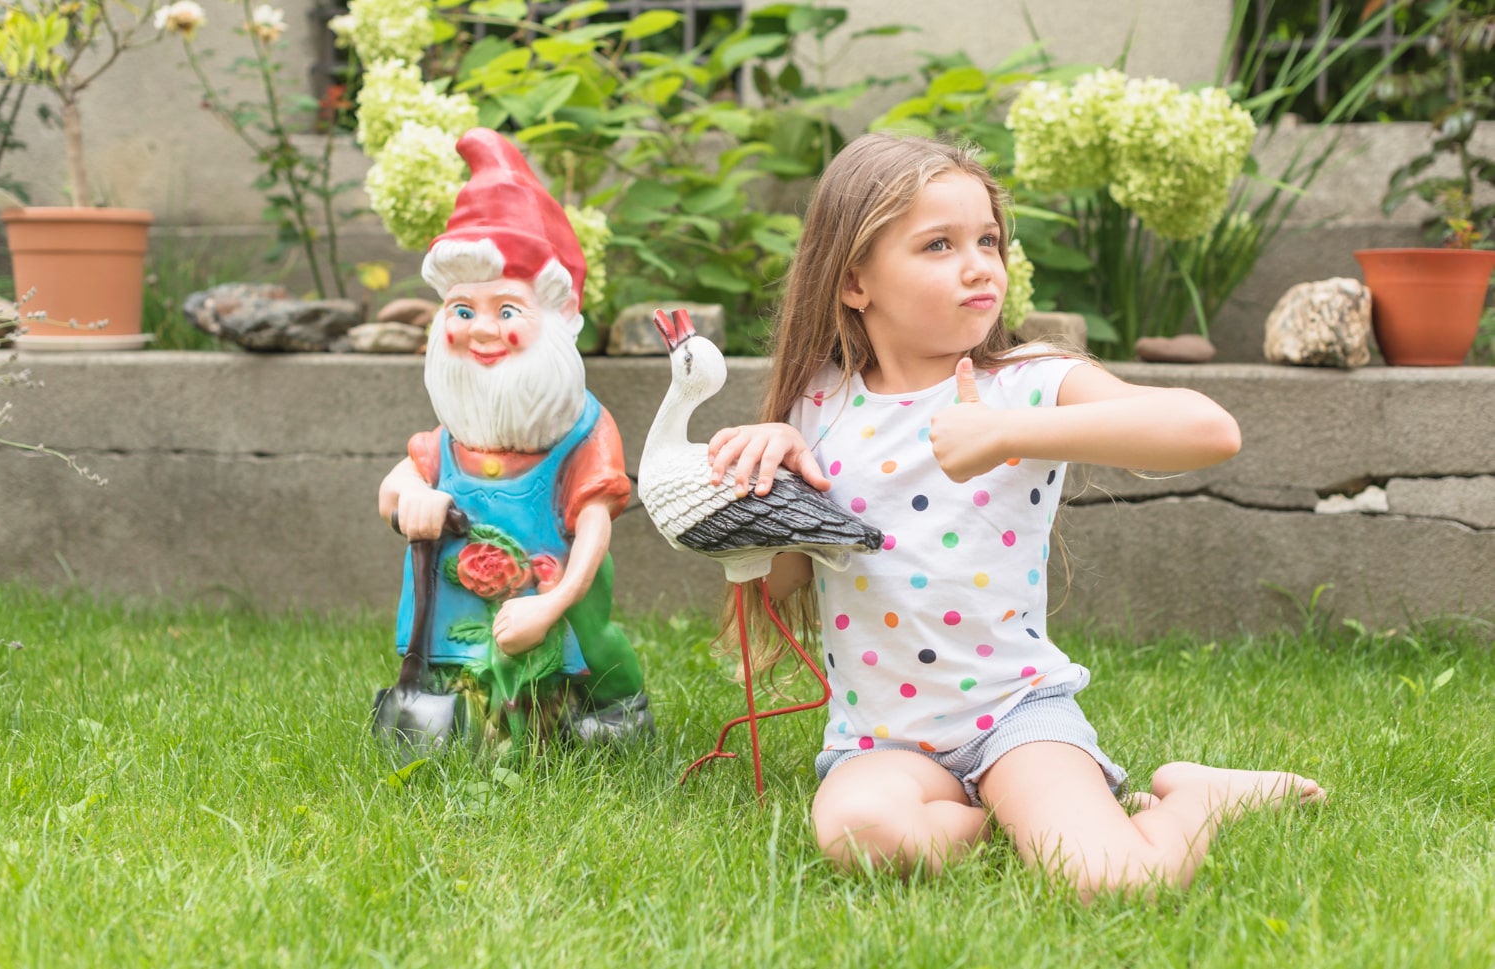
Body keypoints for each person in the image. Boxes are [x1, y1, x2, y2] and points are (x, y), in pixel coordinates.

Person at [705, 132, 1322, 897]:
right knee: (860, 834)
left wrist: (1008, 433)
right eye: (939, 244)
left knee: (1114, 883)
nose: (978, 265)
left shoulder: (1026, 382)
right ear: (855, 280)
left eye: (988, 240)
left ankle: (1193, 794)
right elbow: (788, 580)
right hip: (883, 741)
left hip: (1014, 718)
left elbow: (1208, 429)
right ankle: (1030, 820)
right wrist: (768, 484)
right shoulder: (821, 402)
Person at [377, 128, 653, 745]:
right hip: (454, 617)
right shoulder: (455, 430)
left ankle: (613, 712)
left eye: (506, 311)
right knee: (466, 688)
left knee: (586, 649)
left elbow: (593, 537)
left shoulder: (580, 430)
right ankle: (464, 720)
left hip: (554, 601)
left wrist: (549, 607)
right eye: (462, 311)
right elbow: (395, 487)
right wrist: (407, 499)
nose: (481, 331)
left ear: (556, 319)